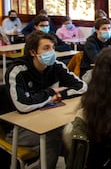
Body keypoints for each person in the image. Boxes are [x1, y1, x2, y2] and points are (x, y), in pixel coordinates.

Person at [3, 30, 87, 169]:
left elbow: (82, 87)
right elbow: (23, 105)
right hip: (17, 128)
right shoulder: (17, 70)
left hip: (44, 116)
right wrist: (50, 92)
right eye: (46, 48)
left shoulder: (56, 65)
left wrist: (58, 96)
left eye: (53, 47)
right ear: (32, 52)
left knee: (73, 130)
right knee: (55, 135)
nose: (52, 52)